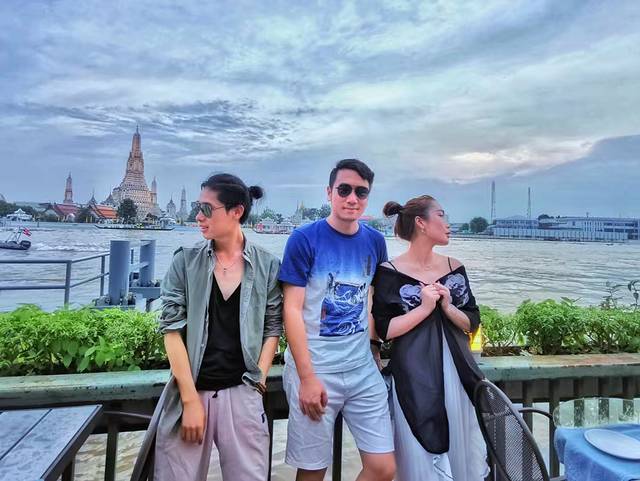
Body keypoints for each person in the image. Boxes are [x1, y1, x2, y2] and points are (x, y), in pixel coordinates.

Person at [155, 173, 283, 481]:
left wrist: (258, 382)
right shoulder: (185, 262)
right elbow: (171, 330)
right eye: (197, 207)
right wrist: (189, 399)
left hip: (242, 391)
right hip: (192, 391)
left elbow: (272, 327)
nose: (198, 216)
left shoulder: (266, 265)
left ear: (236, 211)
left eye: (206, 209)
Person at [279, 159, 396, 481]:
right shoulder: (304, 239)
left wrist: (374, 347)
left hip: (362, 368)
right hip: (315, 367)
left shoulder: (375, 241)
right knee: (313, 471)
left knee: (383, 468)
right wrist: (307, 378)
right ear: (329, 192)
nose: (352, 198)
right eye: (344, 190)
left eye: (361, 192)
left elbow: (371, 299)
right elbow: (292, 309)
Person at [372, 195, 489, 481]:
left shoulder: (454, 267)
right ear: (421, 223)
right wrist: (424, 308)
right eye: (441, 215)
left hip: (458, 375)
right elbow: (385, 329)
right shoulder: (390, 272)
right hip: (413, 377)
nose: (448, 224)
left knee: (463, 452)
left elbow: (472, 321)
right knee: (419, 457)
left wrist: (448, 307)